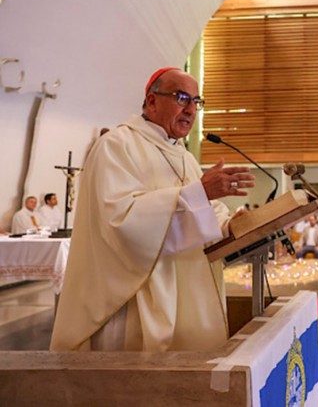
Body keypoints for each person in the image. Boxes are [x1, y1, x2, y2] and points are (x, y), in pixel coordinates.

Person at [51, 68, 255, 352]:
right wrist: (199, 193)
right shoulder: (116, 145)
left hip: (185, 294)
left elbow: (206, 210)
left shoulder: (183, 156)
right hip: (132, 300)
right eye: (182, 98)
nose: (191, 109)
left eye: (197, 101)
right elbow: (121, 222)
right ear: (151, 101)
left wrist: (232, 224)